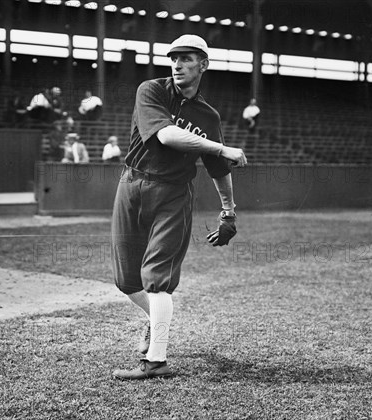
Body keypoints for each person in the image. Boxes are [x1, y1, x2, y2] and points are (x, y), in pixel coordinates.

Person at [110, 34, 247, 380]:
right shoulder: (151, 90)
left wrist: (228, 211)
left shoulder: (208, 115)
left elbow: (219, 172)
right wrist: (220, 147)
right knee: (125, 280)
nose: (177, 64)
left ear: (203, 64)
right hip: (132, 183)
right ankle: (155, 322)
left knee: (156, 279)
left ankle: (156, 360)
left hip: (173, 194)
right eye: (174, 58)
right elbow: (166, 135)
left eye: (187, 59)